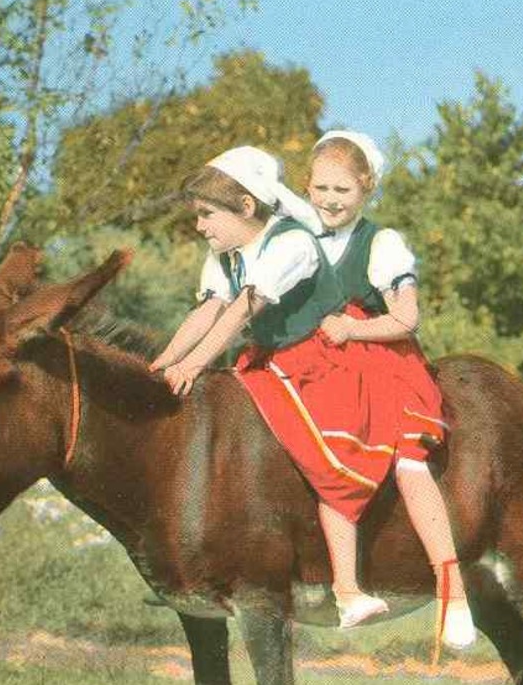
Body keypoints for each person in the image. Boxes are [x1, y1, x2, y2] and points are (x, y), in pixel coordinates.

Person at [149, 145, 393, 627]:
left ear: (245, 207)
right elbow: (207, 311)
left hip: (323, 360)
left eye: (206, 214)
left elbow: (243, 310)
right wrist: (160, 365)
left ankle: (347, 586)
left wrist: (195, 365)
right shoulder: (225, 253)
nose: (200, 226)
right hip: (268, 362)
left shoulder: (291, 244)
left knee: (324, 456)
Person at [308, 130, 474, 648]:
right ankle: (338, 585)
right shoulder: (300, 236)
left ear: (365, 189)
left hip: (380, 361)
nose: (331, 200)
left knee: (408, 462)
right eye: (321, 188)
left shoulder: (381, 243)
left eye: (343, 191)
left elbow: (406, 318)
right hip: (319, 361)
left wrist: (353, 328)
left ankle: (451, 588)